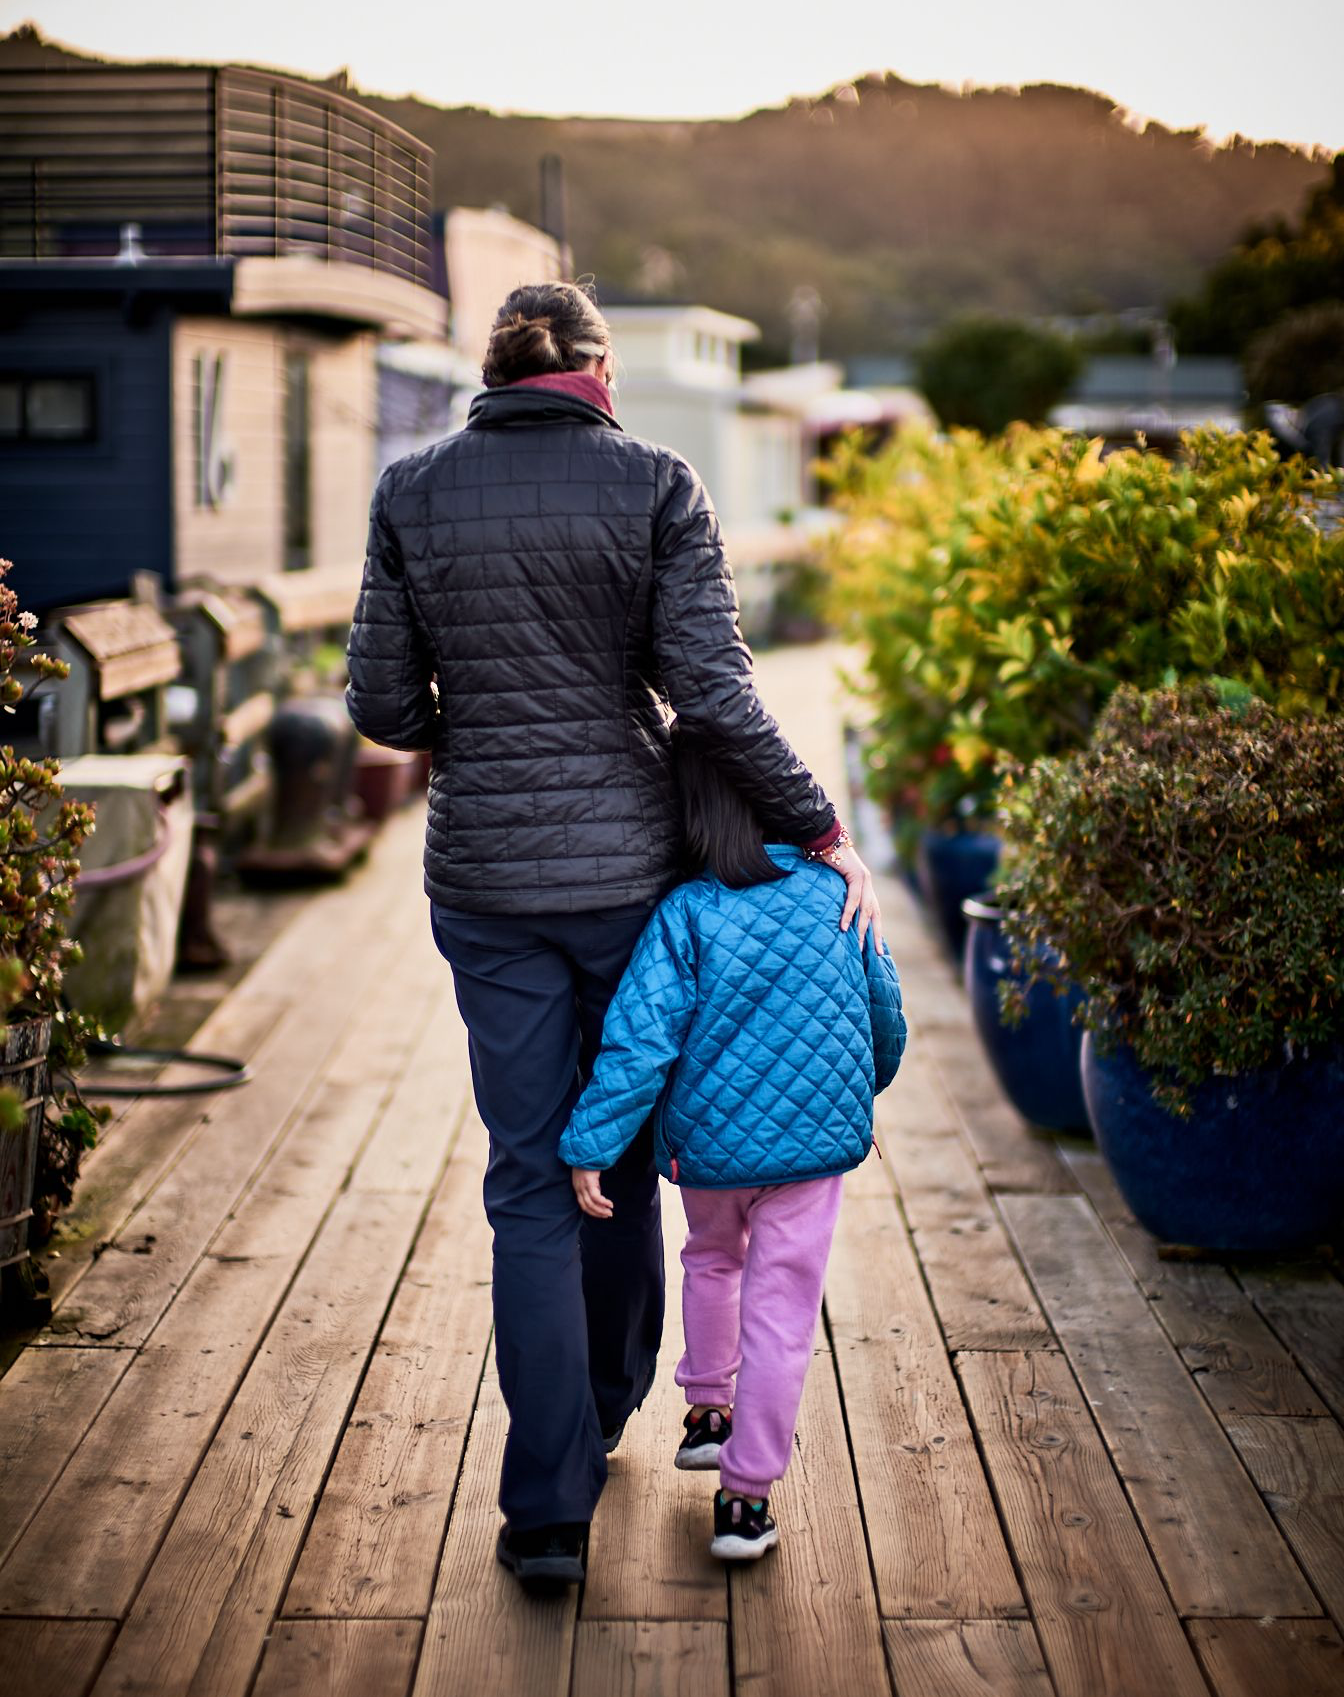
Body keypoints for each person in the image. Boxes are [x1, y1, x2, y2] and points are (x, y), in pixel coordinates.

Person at [345, 281, 883, 1586]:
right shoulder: (656, 482)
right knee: (626, 1142)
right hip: (630, 877)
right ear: (592, 368)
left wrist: (472, 723)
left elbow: (382, 706)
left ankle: (545, 1506)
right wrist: (816, 820)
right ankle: (614, 1390)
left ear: (494, 372)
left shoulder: (411, 489)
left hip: (485, 880)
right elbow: (711, 690)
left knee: (529, 1175)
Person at [560, 739, 906, 1560]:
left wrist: (591, 1144)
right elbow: (883, 1017)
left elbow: (639, 1045)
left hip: (712, 1150)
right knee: (784, 1312)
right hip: (812, 1154)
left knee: (713, 1256)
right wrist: (858, 1092)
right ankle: (746, 1501)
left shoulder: (684, 912)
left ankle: (708, 1411)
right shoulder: (838, 894)